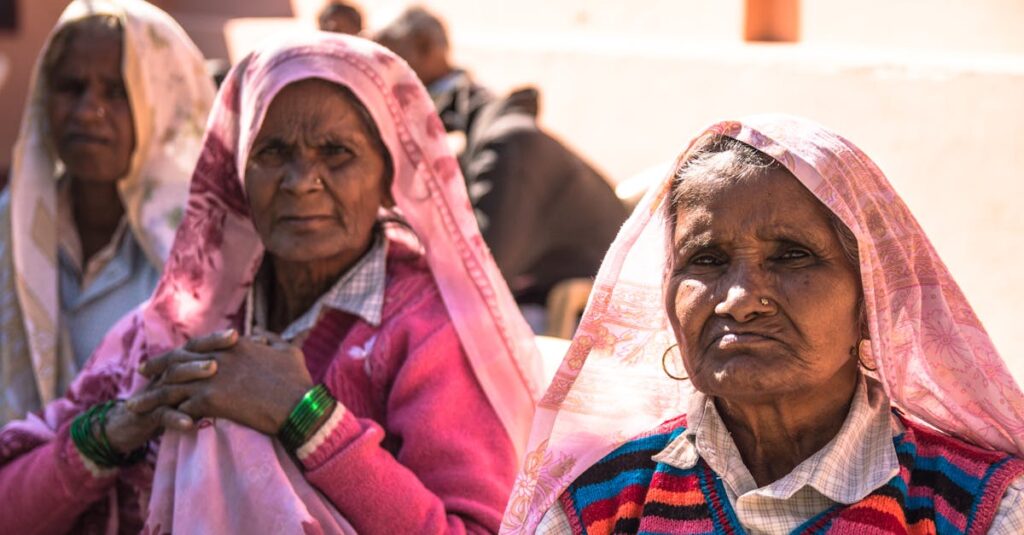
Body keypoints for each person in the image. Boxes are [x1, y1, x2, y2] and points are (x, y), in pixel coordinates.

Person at [0, 33, 543, 534]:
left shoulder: (430, 333)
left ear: (388, 178)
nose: (301, 182)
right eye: (273, 152)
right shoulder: (189, 315)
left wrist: (304, 414)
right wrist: (115, 431)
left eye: (337, 153)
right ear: (238, 173)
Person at [501, 115, 1024, 534]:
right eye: (706, 259)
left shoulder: (978, 508)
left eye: (792, 256)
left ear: (870, 301)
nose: (740, 299)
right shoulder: (602, 504)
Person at [0, 0, 214, 425]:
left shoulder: (205, 250)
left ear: (164, 105)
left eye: (117, 92)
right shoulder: (9, 229)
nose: (87, 112)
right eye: (71, 87)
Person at [376, 8, 628, 328]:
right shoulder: (468, 125)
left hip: (578, 317)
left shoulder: (505, 144)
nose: (377, 69)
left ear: (426, 47)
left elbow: (483, 276)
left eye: (386, 53)